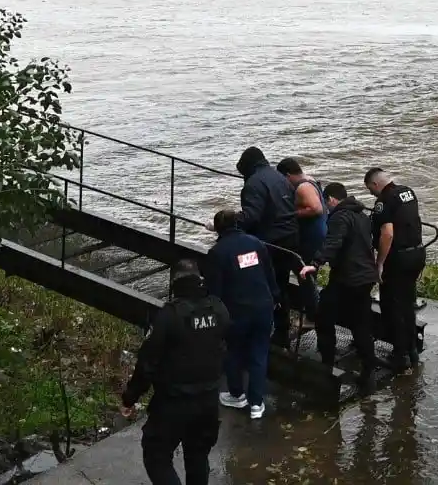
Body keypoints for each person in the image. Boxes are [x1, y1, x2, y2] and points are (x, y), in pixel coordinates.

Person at [120, 260, 230, 485]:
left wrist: (130, 397)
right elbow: (225, 344)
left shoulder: (169, 316)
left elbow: (147, 363)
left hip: (174, 402)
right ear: (199, 279)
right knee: (198, 455)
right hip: (208, 400)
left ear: (174, 283)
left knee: (156, 456)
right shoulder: (218, 308)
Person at [300, 182, 380, 391]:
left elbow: (333, 242)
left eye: (326, 205)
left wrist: (315, 263)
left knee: (323, 315)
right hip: (365, 277)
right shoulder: (361, 215)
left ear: (330, 199)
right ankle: (369, 369)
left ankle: (326, 362)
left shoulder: (340, 216)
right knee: (361, 323)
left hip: (348, 278)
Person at [205, 209, 278, 419]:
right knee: (259, 353)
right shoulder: (256, 243)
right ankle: (256, 403)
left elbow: (214, 290)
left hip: (236, 310)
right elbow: (269, 273)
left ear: (218, 229)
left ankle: (237, 394)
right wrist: (275, 297)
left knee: (233, 351)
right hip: (263, 306)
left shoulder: (217, 252)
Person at [234, 146, 306, 345]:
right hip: (290, 240)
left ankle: (267, 329)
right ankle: (282, 328)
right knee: (280, 285)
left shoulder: (254, 183)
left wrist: (228, 222)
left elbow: (252, 216)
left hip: (268, 244)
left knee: (259, 284)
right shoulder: (280, 177)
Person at [364, 167, 424, 372]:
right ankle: (412, 350)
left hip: (398, 258)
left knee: (392, 307)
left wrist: (379, 263)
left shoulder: (384, 201)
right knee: (408, 304)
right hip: (417, 254)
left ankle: (400, 355)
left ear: (375, 184)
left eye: (370, 190)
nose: (371, 194)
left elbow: (387, 234)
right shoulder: (408, 192)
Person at [276, 157, 328, 265]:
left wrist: (291, 214)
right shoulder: (310, 179)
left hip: (312, 237)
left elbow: (316, 209)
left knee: (305, 271)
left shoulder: (303, 187)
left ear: (288, 175)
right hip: (321, 233)